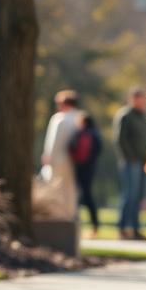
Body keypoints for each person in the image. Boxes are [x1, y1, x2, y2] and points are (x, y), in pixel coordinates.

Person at [113, 87, 146, 240]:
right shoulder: (125, 115)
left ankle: (136, 230)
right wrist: (130, 157)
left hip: (144, 162)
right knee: (129, 196)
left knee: (138, 197)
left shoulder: (143, 116)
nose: (141, 101)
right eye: (138, 98)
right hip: (131, 162)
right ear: (132, 99)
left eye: (142, 98)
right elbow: (120, 139)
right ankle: (122, 229)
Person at [40, 90, 82, 219]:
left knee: (56, 188)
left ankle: (56, 215)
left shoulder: (59, 119)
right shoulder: (80, 118)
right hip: (74, 161)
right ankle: (70, 215)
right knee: (71, 189)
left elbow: (53, 142)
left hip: (57, 160)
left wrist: (47, 157)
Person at [69, 111, 103, 237]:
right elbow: (98, 150)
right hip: (90, 168)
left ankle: (78, 224)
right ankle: (95, 226)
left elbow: (71, 147)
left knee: (80, 196)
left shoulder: (80, 134)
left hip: (80, 167)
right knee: (88, 196)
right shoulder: (96, 134)